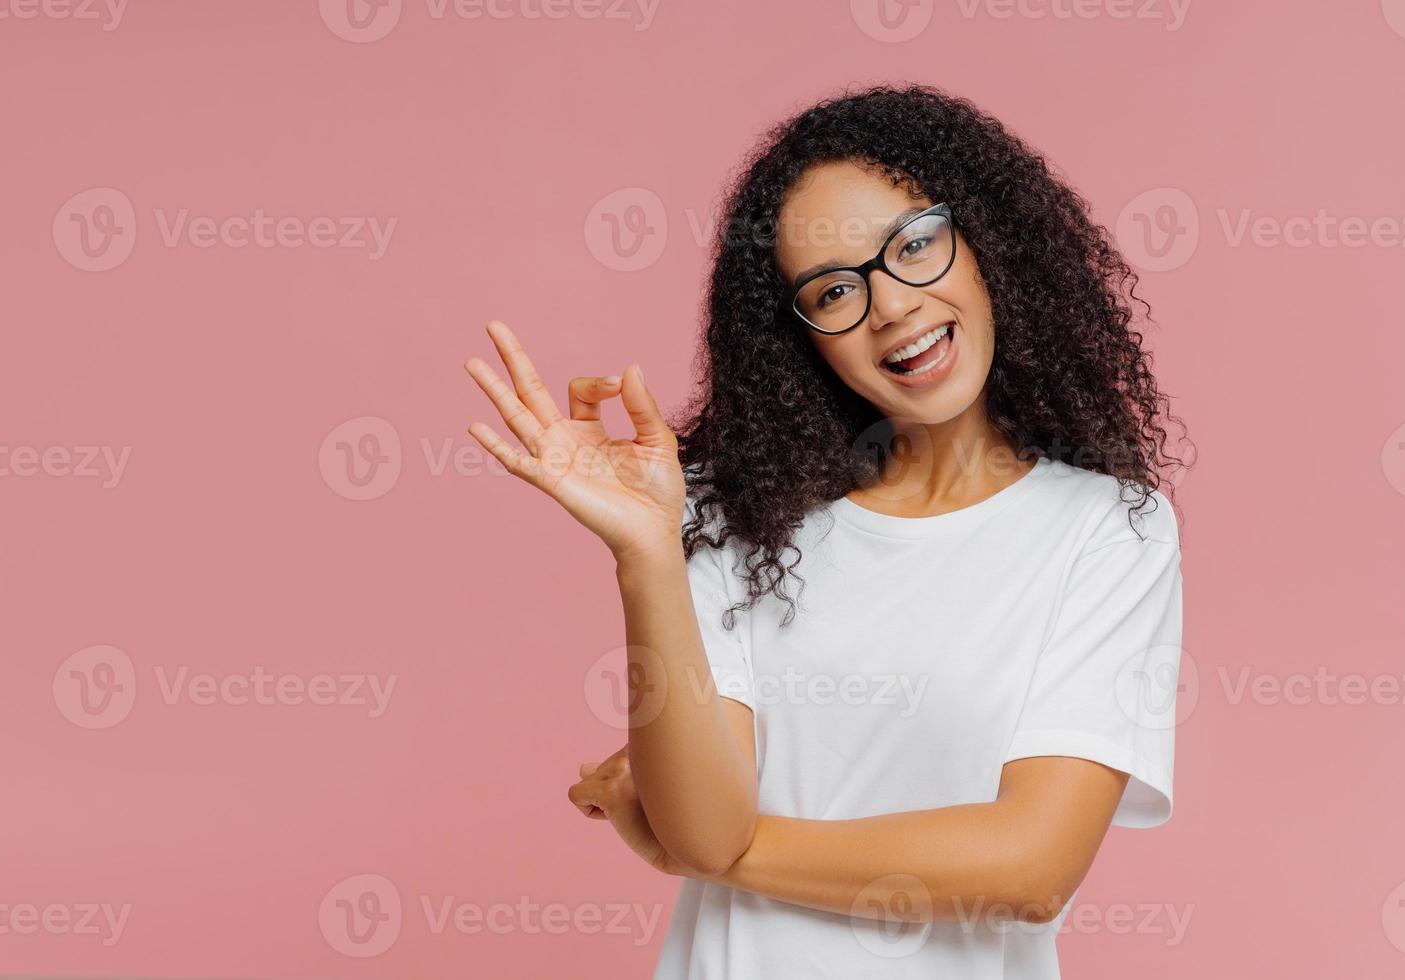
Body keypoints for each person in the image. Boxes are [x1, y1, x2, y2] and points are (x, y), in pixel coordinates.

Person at [463, 82, 1188, 979]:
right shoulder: (739, 519)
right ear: (802, 339)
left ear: (990, 243)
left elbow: (1031, 866)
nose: (889, 306)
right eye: (835, 289)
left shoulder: (1107, 532)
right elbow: (701, 821)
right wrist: (645, 548)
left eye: (915, 245)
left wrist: (718, 854)